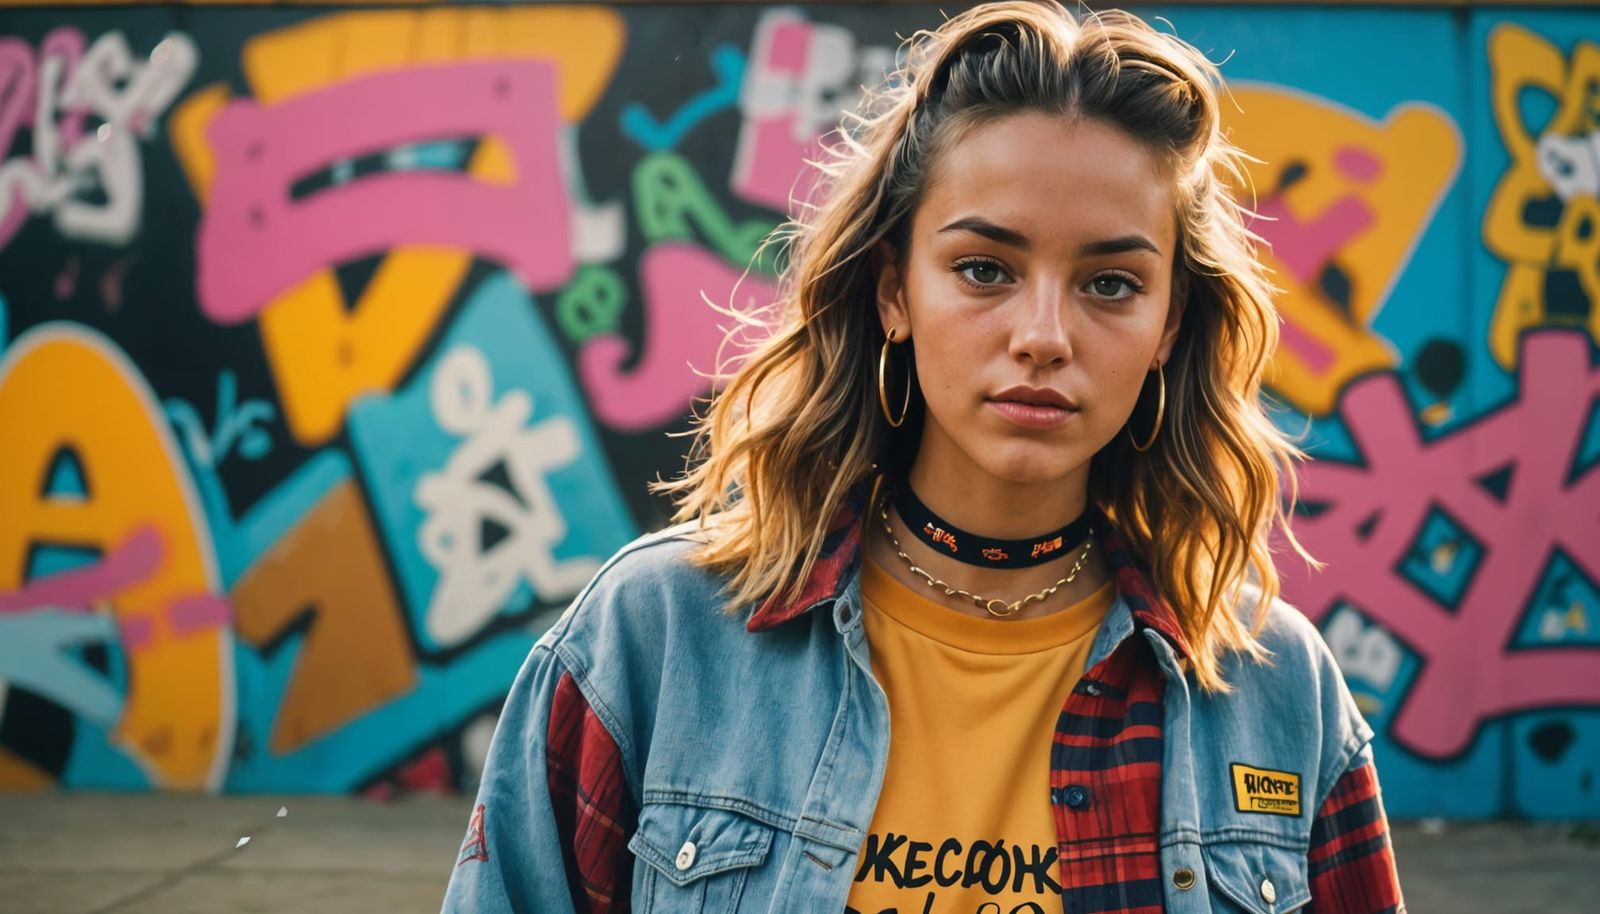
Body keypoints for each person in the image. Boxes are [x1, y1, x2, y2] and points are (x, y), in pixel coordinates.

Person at [440, 2, 1406, 912]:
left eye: (1111, 283)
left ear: (1168, 327)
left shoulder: (1275, 686)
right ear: (893, 291)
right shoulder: (655, 642)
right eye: (984, 268)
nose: (1043, 335)